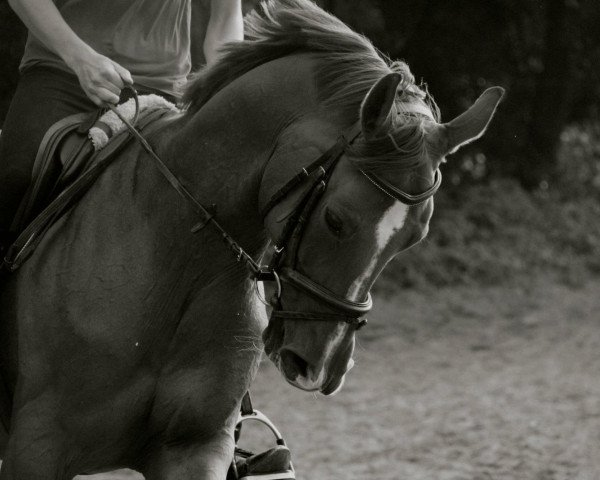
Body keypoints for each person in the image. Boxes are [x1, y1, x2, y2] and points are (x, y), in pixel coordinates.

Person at [0, 0, 243, 251]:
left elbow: (226, 17)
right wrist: (80, 58)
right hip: (62, 70)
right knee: (15, 178)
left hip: (162, 88)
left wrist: (223, 88)